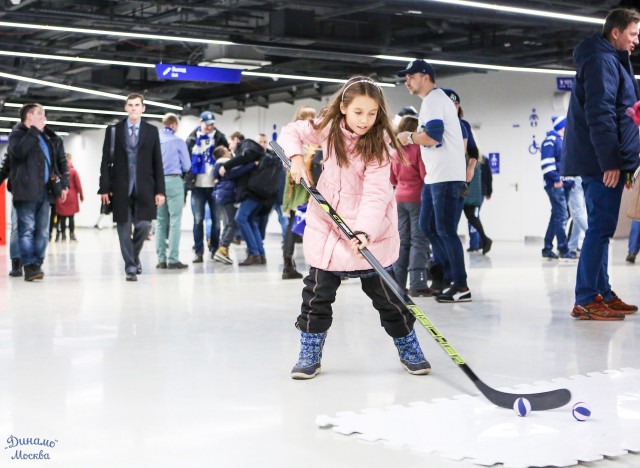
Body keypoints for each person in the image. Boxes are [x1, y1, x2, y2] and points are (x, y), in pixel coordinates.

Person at [278, 76, 431, 380]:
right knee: (316, 297)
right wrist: (296, 158)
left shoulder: (379, 145)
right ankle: (309, 352)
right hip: (328, 228)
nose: (365, 120)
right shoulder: (329, 128)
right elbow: (291, 131)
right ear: (344, 108)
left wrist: (364, 231)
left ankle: (408, 345)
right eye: (358, 112)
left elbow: (376, 194)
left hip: (368, 233)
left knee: (389, 300)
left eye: (372, 113)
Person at [562, 8, 640, 320]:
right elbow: (600, 113)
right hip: (599, 162)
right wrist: (610, 161)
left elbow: (623, 111)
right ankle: (585, 298)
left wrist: (626, 161)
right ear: (616, 32)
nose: (636, 40)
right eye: (633, 34)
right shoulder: (602, 61)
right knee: (600, 228)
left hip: (608, 160)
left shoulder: (612, 60)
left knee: (602, 228)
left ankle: (602, 292)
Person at [396, 60, 471, 303]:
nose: (407, 81)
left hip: (447, 177)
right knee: (429, 227)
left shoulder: (433, 101)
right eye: (405, 77)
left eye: (411, 76)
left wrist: (408, 137)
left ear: (426, 77)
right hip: (434, 177)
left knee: (446, 231)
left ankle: (460, 285)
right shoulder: (433, 102)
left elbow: (433, 138)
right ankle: (448, 276)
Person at [99, 93, 166, 282]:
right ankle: (130, 267)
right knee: (123, 228)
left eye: (137, 105)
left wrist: (160, 191)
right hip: (120, 187)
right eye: (130, 105)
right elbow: (105, 162)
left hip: (145, 186)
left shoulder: (152, 131)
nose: (134, 108)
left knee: (144, 226)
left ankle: (134, 257)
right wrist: (104, 187)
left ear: (143, 108)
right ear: (126, 108)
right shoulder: (113, 131)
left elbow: (157, 162)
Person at [8, 104, 69, 282]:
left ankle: (37, 263)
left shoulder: (47, 137)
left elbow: (57, 163)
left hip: (45, 192)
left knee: (42, 232)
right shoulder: (17, 134)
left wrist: (63, 183)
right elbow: (19, 152)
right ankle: (28, 266)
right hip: (25, 192)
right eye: (40, 114)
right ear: (29, 116)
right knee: (25, 230)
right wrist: (34, 130)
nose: (44, 117)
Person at [441, 88, 491, 255]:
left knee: (463, 221)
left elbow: (485, 176)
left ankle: (478, 242)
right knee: (467, 220)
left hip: (464, 190)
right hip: (464, 189)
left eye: (456, 104)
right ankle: (480, 241)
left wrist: (484, 189)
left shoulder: (464, 129)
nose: (453, 107)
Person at [390, 115, 431, 296]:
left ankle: (398, 284)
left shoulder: (395, 152)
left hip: (399, 198)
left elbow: (391, 179)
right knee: (419, 241)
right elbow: (425, 175)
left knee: (403, 241)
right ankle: (418, 284)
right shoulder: (418, 149)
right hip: (417, 198)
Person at [219, 132, 269, 266]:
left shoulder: (246, 145)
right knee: (251, 221)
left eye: (230, 142)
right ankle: (260, 254)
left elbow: (247, 156)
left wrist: (226, 165)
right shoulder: (249, 149)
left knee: (240, 218)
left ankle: (254, 254)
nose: (229, 146)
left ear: (236, 139)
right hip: (259, 192)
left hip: (252, 192)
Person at [185, 111, 228, 263]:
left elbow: (227, 159)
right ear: (200, 123)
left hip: (215, 185)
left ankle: (214, 249)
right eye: (207, 124)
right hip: (197, 186)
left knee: (216, 221)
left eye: (212, 124)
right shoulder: (191, 139)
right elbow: (186, 164)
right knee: (198, 220)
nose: (210, 127)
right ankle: (198, 252)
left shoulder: (220, 138)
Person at [281, 106, 317, 280]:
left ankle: (288, 263)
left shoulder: (291, 139)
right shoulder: (310, 141)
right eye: (308, 117)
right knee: (312, 226)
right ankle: (320, 268)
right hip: (306, 187)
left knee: (293, 225)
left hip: (294, 187)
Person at [155, 113, 191, 270]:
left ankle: (161, 260)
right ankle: (173, 259)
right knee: (175, 221)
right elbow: (187, 166)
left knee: (160, 221)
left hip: (157, 183)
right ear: (174, 124)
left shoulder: (154, 141)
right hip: (174, 180)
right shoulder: (178, 141)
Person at [212, 145, 255, 264]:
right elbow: (235, 173)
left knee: (228, 224)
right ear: (223, 155)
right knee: (233, 224)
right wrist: (251, 165)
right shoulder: (223, 164)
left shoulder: (220, 164)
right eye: (227, 151)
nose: (230, 153)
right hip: (227, 196)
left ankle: (222, 250)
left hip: (222, 196)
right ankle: (222, 249)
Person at [540, 115, 575, 260]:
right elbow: (546, 163)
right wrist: (556, 180)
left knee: (556, 216)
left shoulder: (562, 141)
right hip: (555, 185)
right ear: (563, 126)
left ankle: (547, 248)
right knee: (562, 217)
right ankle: (563, 249)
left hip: (563, 185)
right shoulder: (551, 140)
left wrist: (569, 182)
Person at [0, 152, 22, 277]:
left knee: (36, 230)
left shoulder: (40, 142)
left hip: (37, 193)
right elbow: (5, 168)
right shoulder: (14, 146)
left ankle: (32, 262)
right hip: (18, 192)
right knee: (16, 227)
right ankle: (16, 262)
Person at [55, 153, 84, 242]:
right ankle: (72, 235)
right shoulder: (73, 171)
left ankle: (63, 236)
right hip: (72, 197)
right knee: (71, 217)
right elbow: (78, 185)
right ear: (70, 159)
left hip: (62, 196)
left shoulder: (59, 171)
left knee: (62, 217)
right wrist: (81, 195)